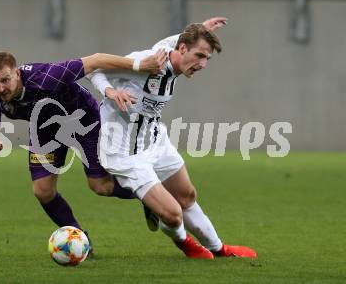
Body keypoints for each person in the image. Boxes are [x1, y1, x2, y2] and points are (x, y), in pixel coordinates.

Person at [88, 21, 257, 259]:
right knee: (173, 214)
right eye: (199, 55)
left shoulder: (173, 53)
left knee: (187, 195)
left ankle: (219, 249)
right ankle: (185, 243)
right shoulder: (147, 61)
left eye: (207, 58)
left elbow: (174, 41)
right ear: (183, 49)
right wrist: (110, 92)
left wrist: (201, 28)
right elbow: (94, 69)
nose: (203, 64)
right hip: (124, 151)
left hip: (153, 139)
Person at [0, 50, 166, 253]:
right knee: (42, 191)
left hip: (83, 120)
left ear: (17, 73)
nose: (1, 88)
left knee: (100, 186)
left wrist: (140, 65)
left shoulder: (46, 76)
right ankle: (80, 240)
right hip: (46, 129)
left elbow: (95, 60)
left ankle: (148, 195)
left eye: (5, 80)